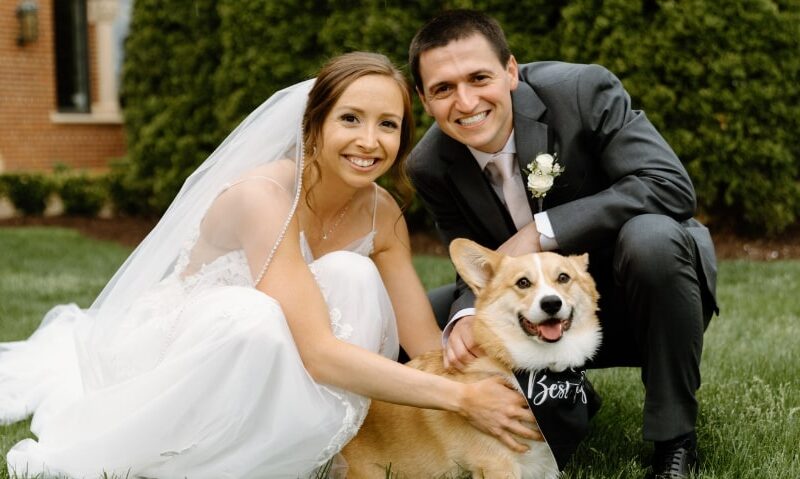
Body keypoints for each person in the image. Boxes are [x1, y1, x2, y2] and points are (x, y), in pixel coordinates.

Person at [0, 52, 536, 478]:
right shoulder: (264, 196)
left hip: (291, 358)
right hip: (192, 352)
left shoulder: (381, 211)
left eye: (388, 125)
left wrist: (515, 375)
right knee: (252, 315)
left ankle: (304, 438)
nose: (370, 142)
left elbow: (423, 347)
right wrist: (461, 398)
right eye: (350, 119)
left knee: (352, 275)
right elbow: (320, 353)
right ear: (315, 124)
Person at [406, 10, 719, 479]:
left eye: (479, 77)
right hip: (538, 313)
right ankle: (561, 393)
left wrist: (540, 231)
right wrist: (465, 317)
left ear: (511, 71)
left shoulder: (582, 91)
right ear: (424, 99)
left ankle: (673, 439)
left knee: (651, 238)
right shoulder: (429, 165)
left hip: (638, 293)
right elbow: (467, 263)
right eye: (443, 89)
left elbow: (670, 185)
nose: (466, 101)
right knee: (421, 318)